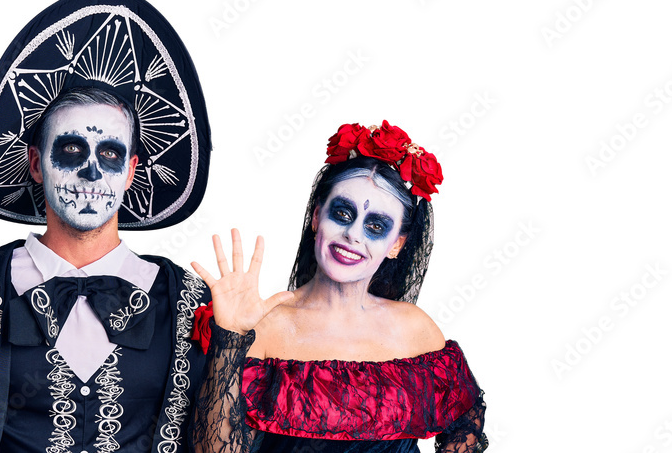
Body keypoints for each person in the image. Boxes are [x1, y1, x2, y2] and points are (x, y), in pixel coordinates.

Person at [0, 0, 213, 452]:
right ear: (36, 163)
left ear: (130, 172)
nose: (90, 171)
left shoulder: (188, 302)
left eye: (109, 154)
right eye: (70, 150)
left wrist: (237, 337)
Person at [191, 122, 487, 452]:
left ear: (397, 244)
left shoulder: (414, 329)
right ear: (317, 217)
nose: (353, 235)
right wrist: (229, 336)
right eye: (343, 213)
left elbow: (465, 422)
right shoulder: (263, 327)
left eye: (376, 225)